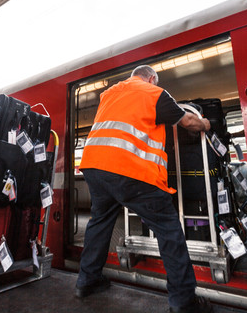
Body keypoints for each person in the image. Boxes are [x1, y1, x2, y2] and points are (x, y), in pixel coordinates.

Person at [75, 65, 213, 313]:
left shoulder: (109, 94)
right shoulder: (154, 93)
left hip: (94, 167)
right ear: (152, 78)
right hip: (131, 172)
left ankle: (87, 280)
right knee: (169, 230)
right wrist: (205, 124)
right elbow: (188, 121)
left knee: (99, 223)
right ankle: (184, 302)